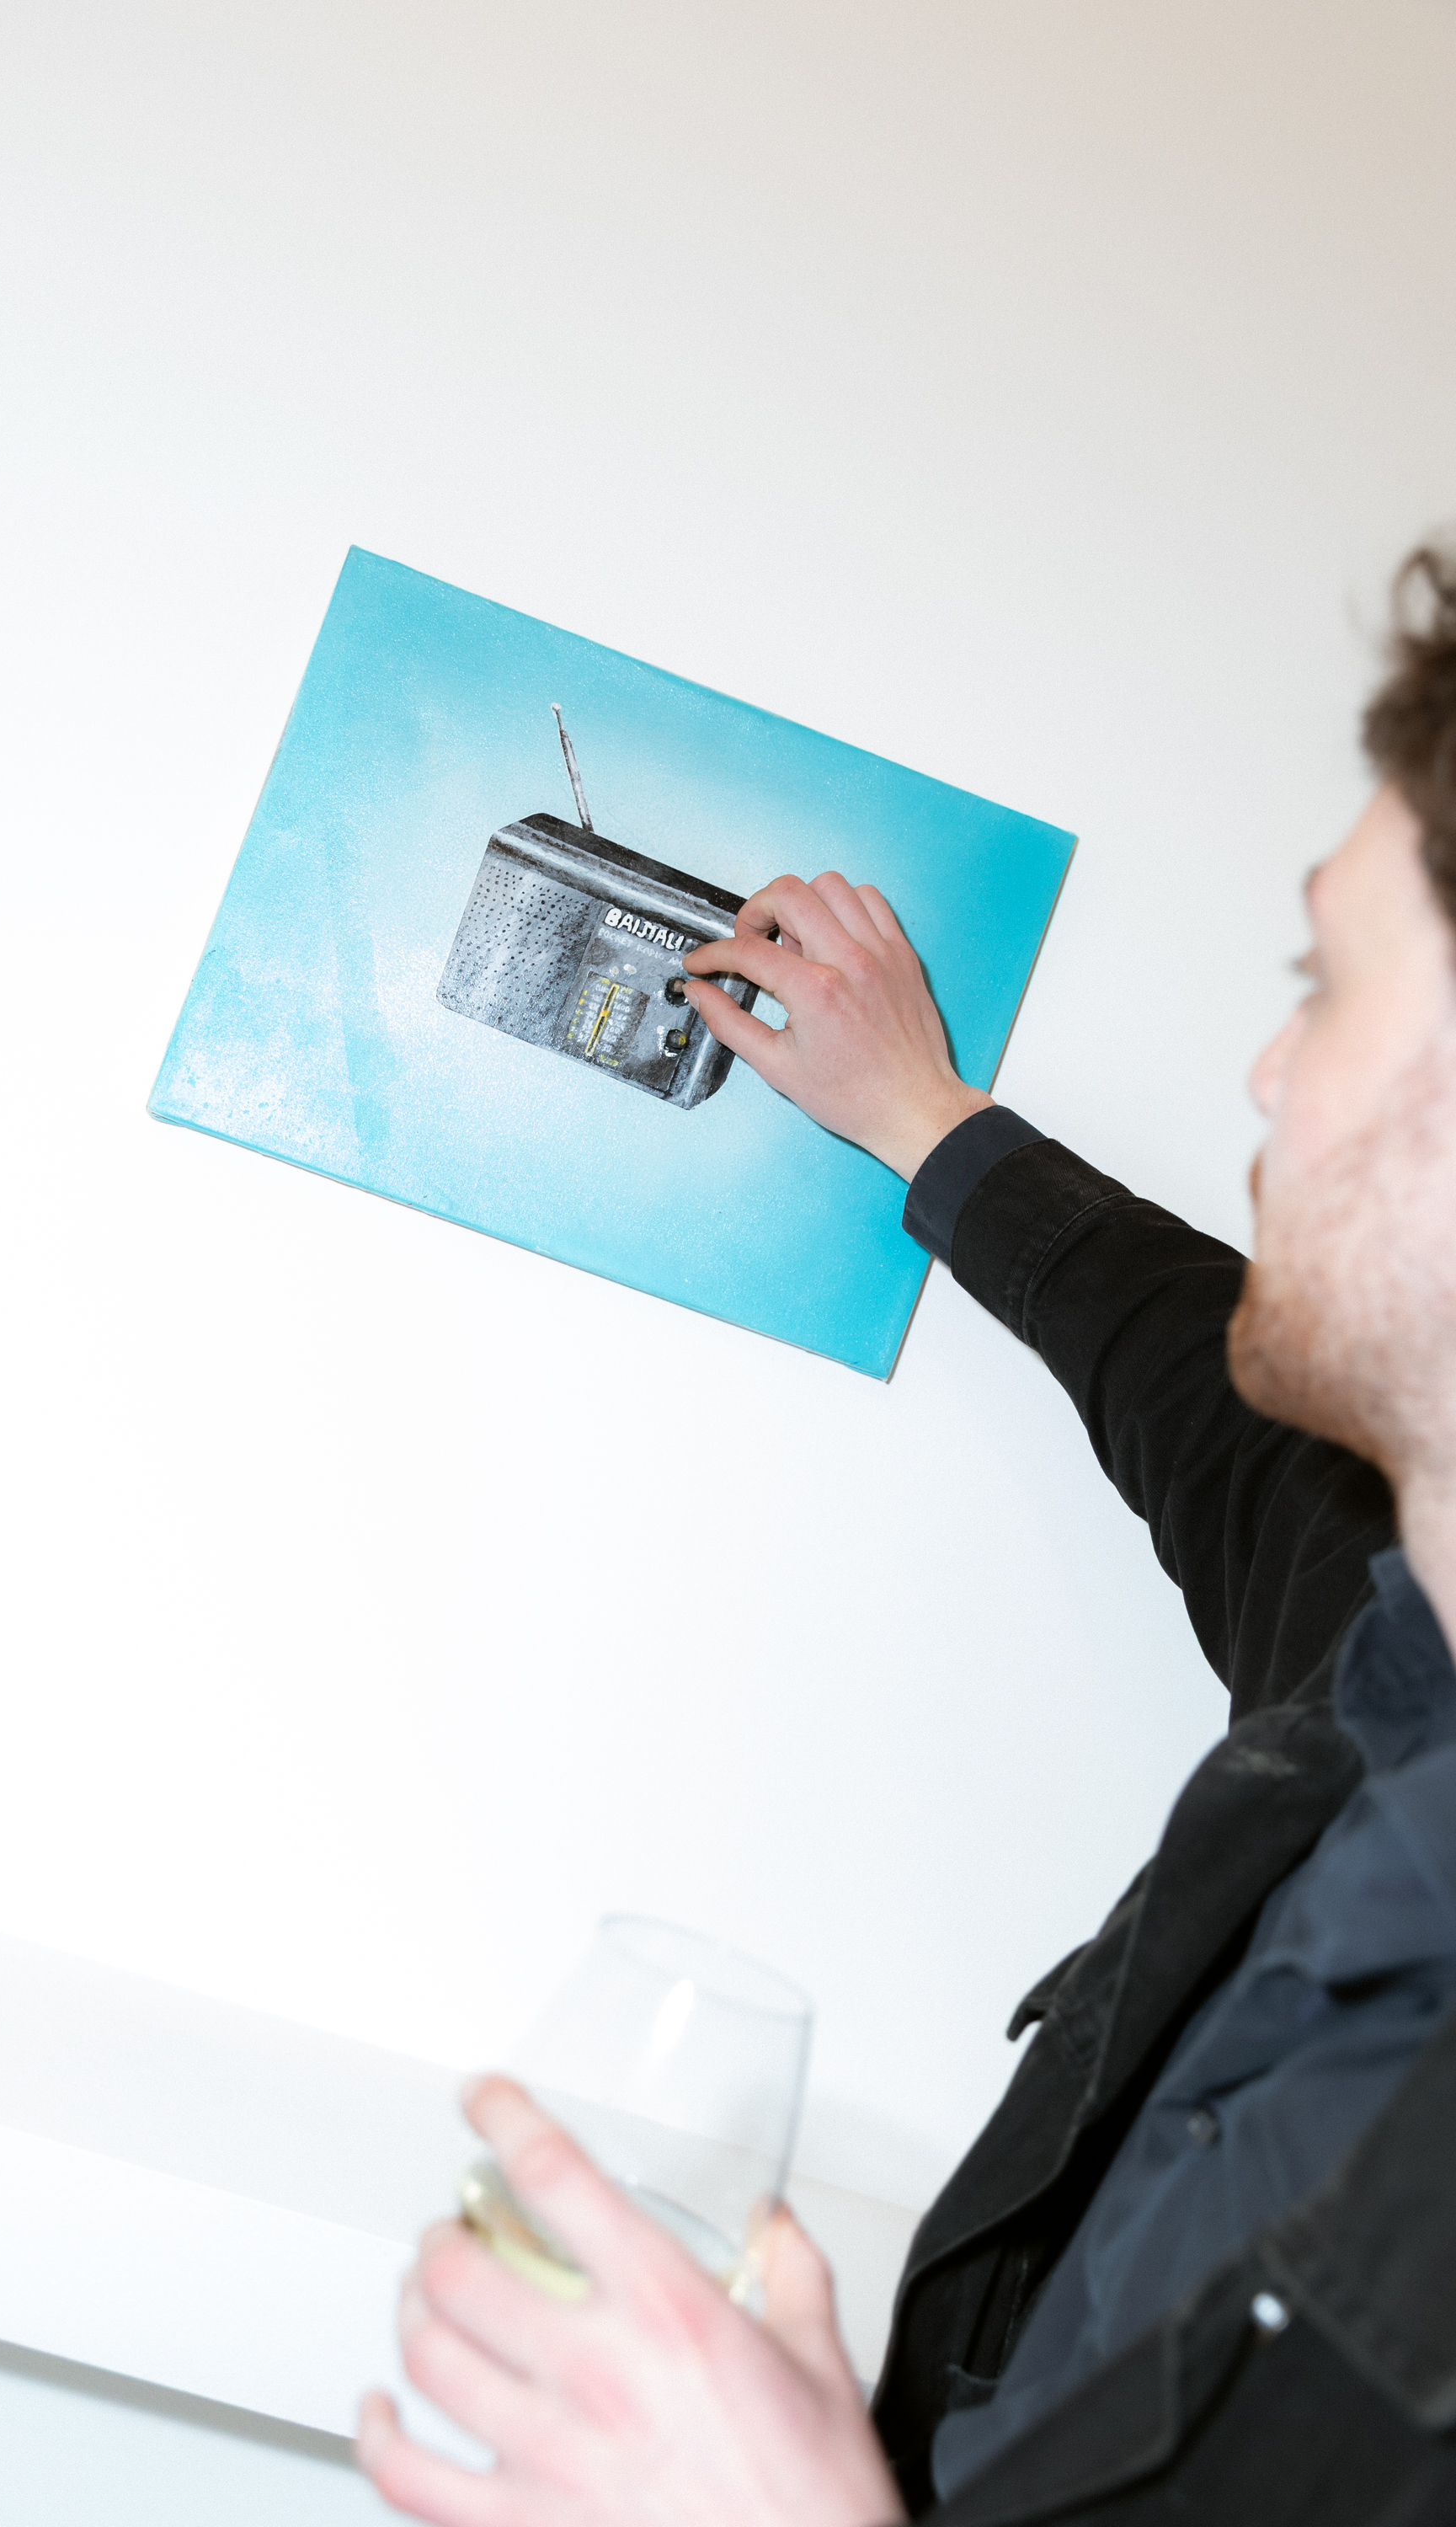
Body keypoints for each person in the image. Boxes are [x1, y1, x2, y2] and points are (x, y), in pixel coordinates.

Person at [359, 545, 1456, 2526]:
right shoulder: (1375, 1667)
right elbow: (1197, 1394)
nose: (1267, 1068)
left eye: (1325, 982)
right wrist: (925, 1122)